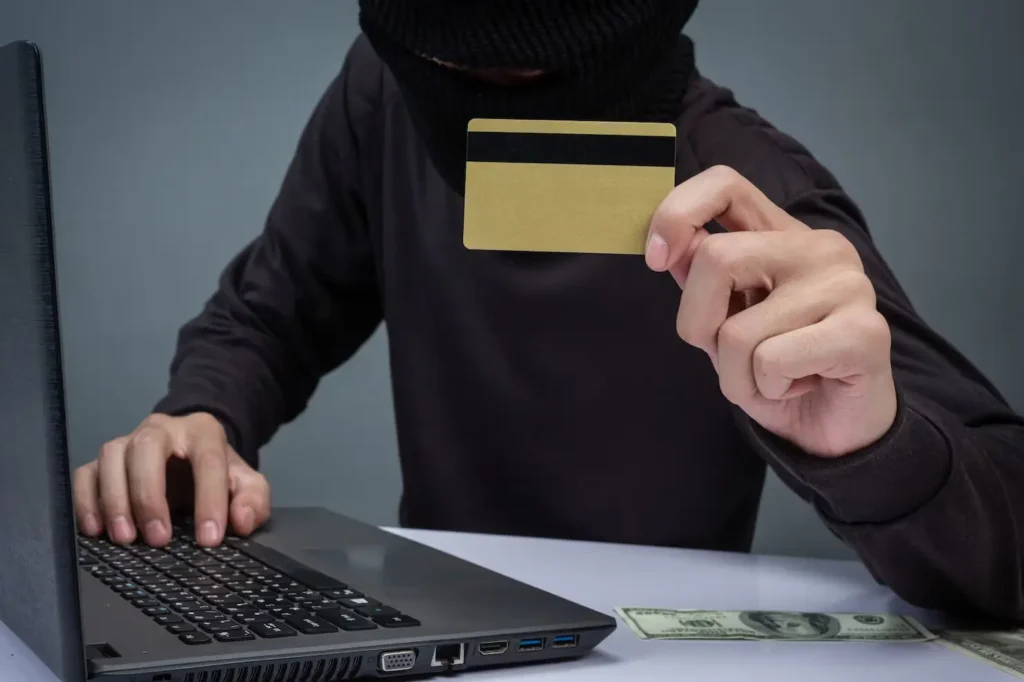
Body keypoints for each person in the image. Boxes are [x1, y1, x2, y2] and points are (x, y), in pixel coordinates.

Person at [72, 0, 1024, 623]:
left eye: (524, 80)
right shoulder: (385, 95)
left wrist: (874, 443)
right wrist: (198, 415)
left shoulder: (754, 194)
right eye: (448, 63)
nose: (479, 113)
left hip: (651, 652)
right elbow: (274, 310)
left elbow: (1007, 541)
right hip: (428, 629)